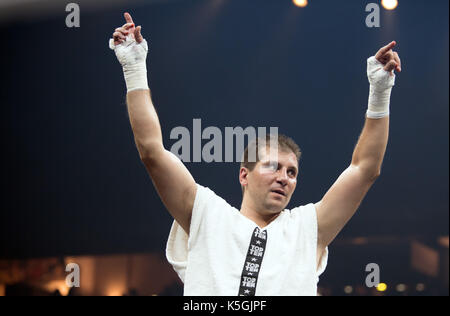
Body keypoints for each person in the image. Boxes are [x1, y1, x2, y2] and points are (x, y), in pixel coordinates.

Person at [109, 12, 401, 296]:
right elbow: (152, 152)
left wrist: (380, 93)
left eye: (291, 172)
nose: (284, 178)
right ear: (244, 174)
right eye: (273, 167)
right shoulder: (208, 215)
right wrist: (134, 68)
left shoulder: (308, 228)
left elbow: (365, 170)